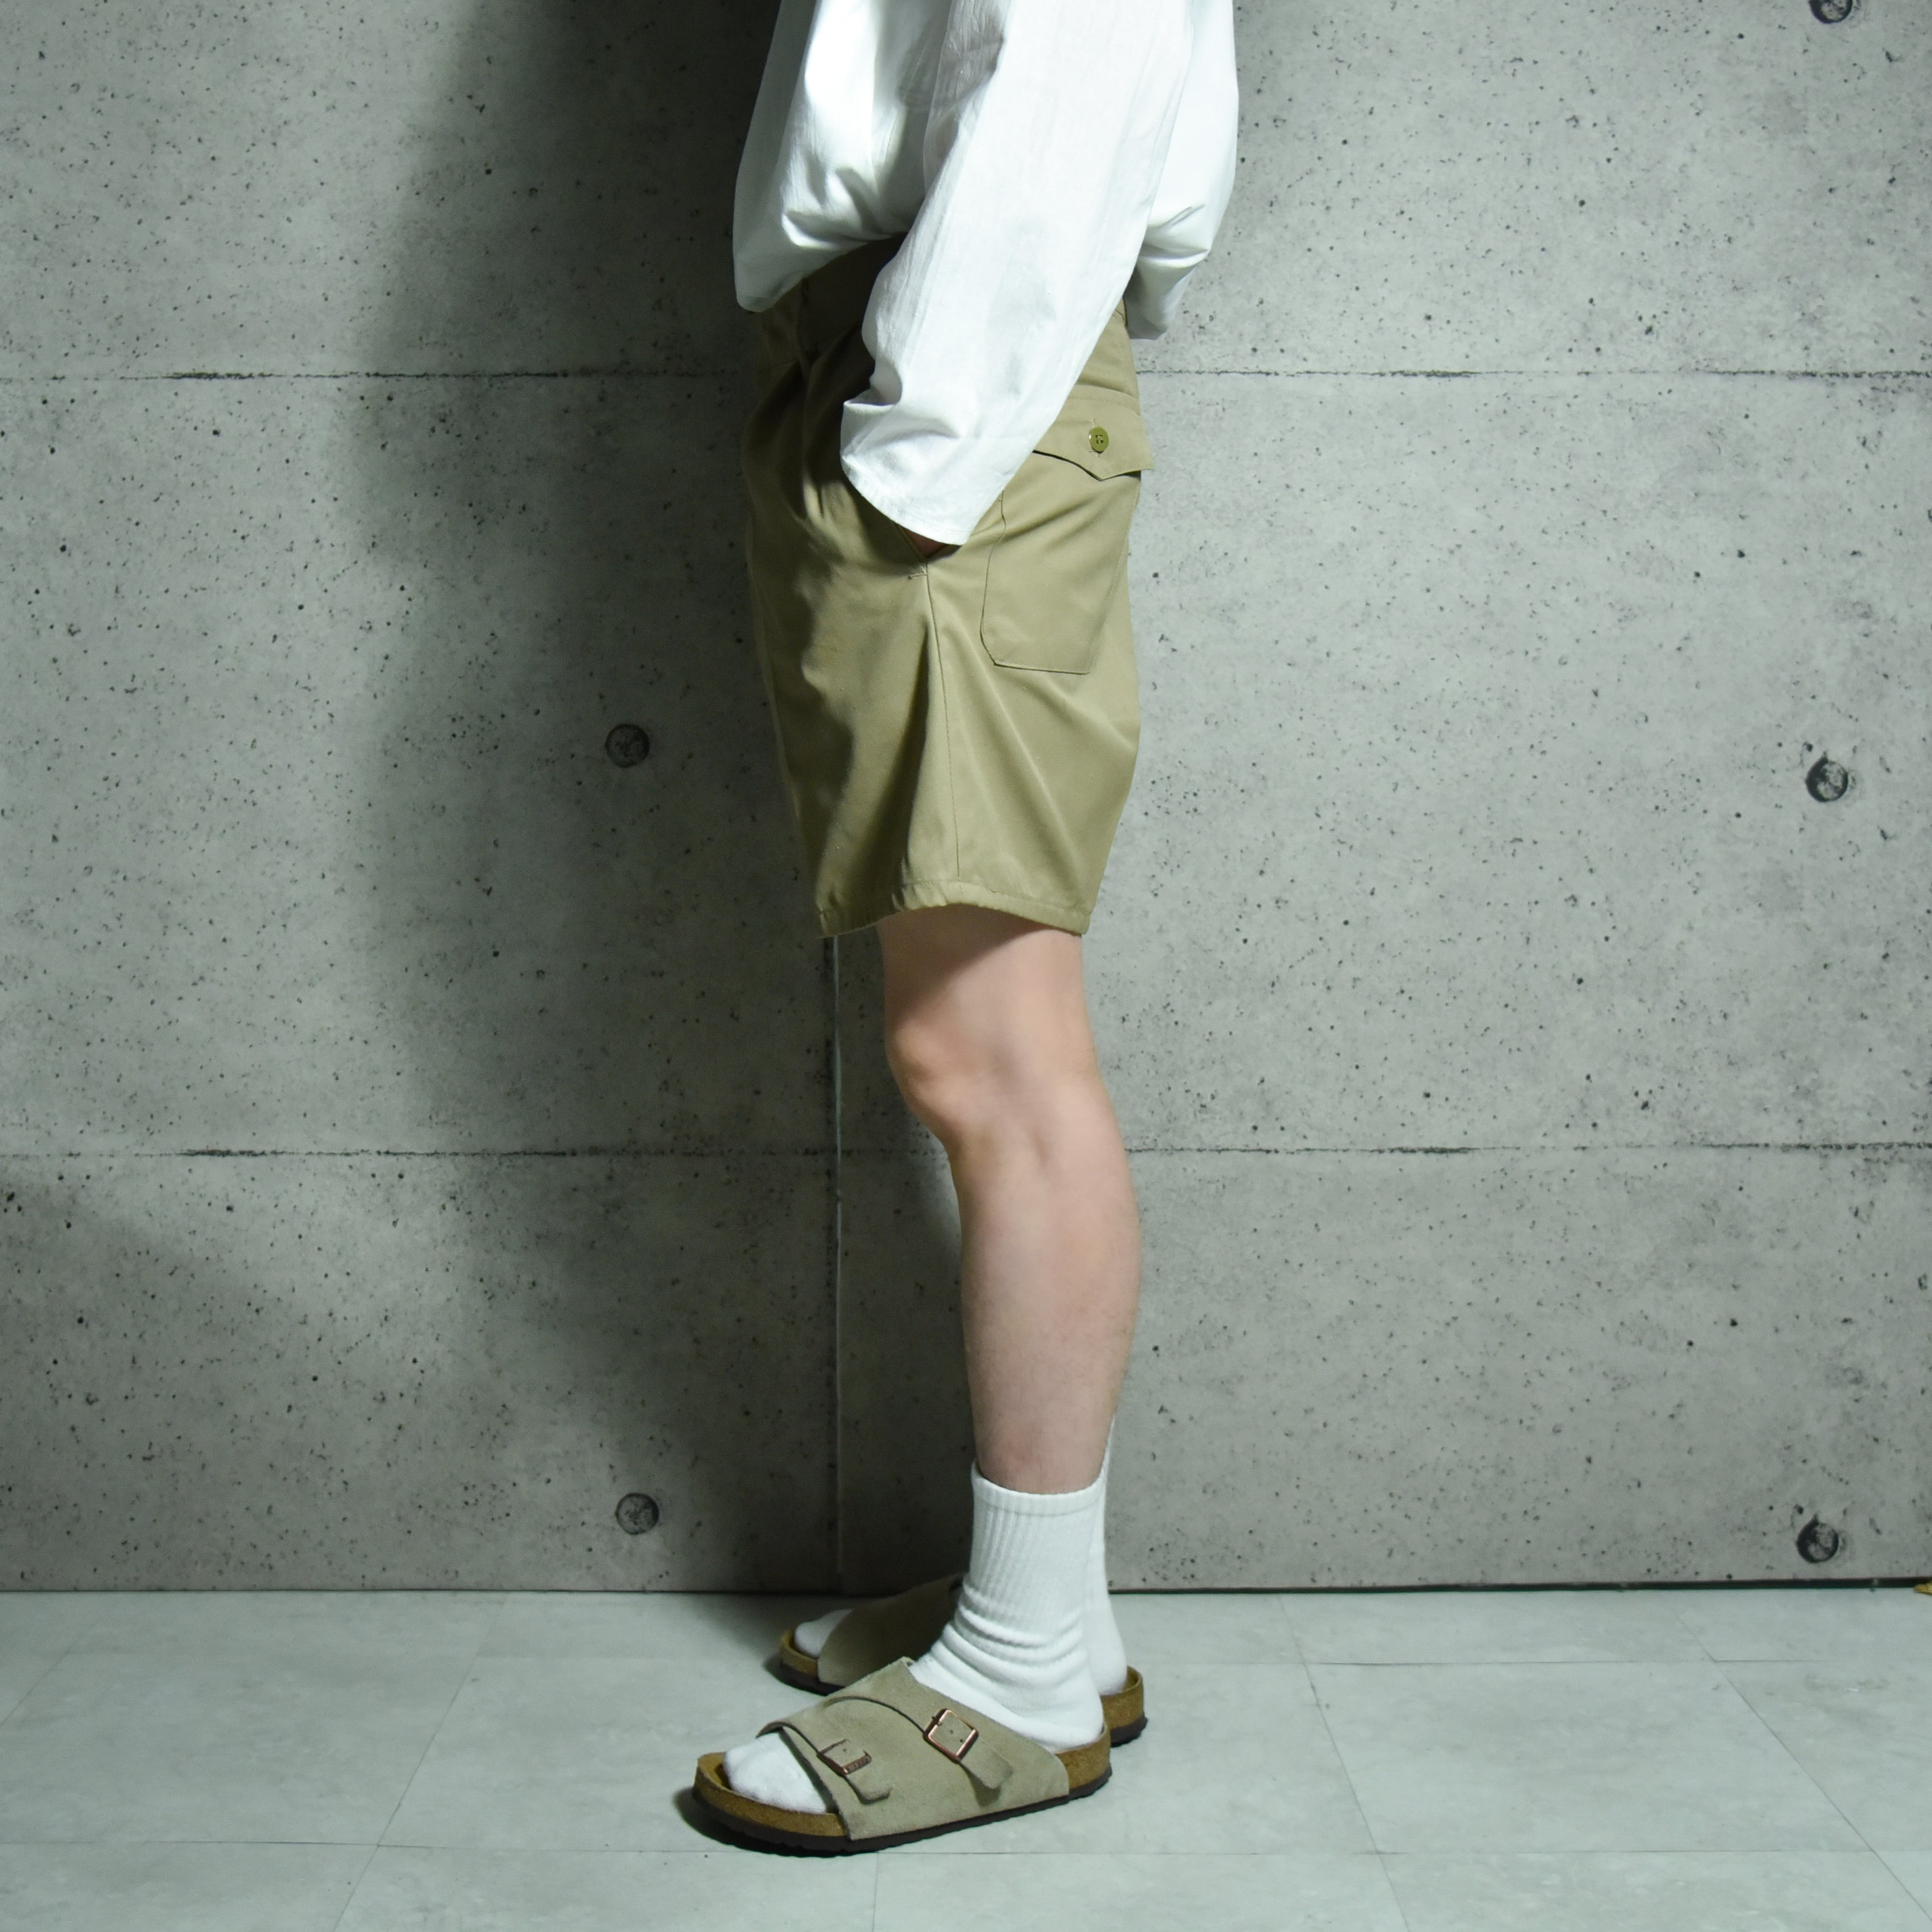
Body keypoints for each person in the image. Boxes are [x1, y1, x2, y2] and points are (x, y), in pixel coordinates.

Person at [692, 0, 1238, 1851]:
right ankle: (1050, 1618)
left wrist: (913, 436)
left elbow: (1086, 53)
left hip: (957, 402)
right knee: (969, 1050)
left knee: (992, 1057)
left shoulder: (944, 405)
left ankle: (1023, 1674)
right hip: (917, 374)